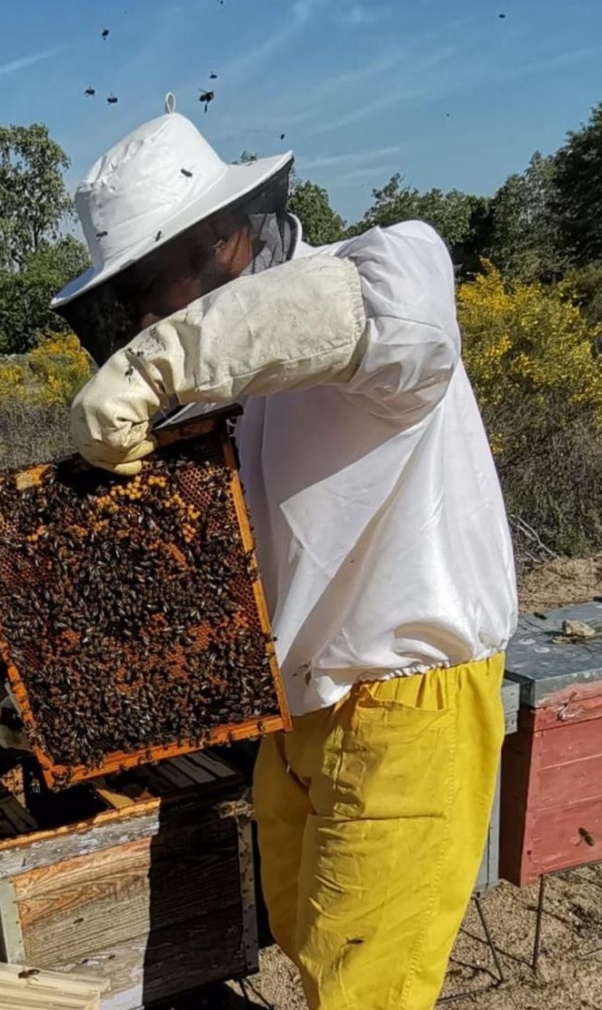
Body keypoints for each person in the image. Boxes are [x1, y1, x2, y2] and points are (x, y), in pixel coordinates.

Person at [53, 95, 518, 1010]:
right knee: (306, 943)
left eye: (148, 294)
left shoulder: (382, 273)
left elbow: (394, 315)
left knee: (365, 996)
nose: (148, 322)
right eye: (135, 309)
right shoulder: (242, 378)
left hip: (405, 704)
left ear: (221, 237)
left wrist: (159, 362)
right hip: (298, 708)